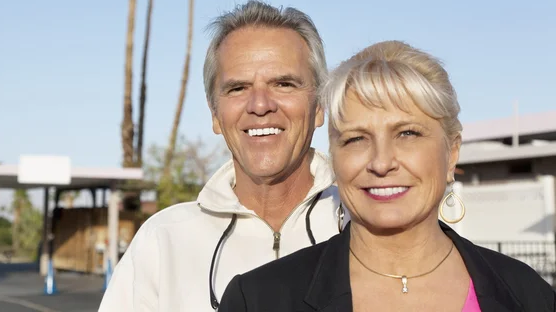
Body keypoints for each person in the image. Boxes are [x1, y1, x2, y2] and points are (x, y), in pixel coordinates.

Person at [219, 40, 556, 312]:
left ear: (451, 152)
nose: (381, 162)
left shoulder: (527, 295)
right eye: (356, 139)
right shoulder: (258, 299)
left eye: (407, 134)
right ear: (334, 158)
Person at [98, 0, 346, 312]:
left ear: (320, 106)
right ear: (215, 114)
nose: (260, 105)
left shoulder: (364, 226)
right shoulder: (162, 243)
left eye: (283, 84)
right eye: (238, 88)